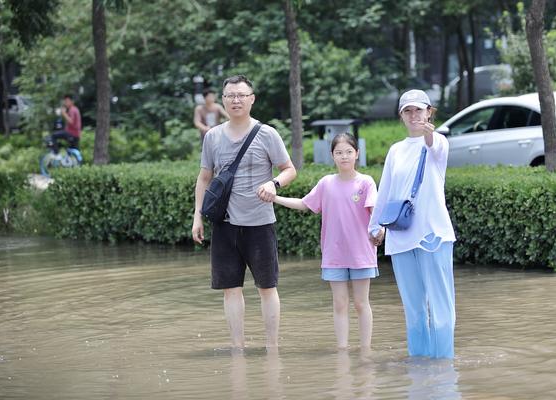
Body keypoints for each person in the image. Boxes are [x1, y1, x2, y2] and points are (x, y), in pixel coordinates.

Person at [191, 75, 296, 350]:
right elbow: (204, 178)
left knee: (267, 287)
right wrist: (197, 216)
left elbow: (289, 170)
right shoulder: (212, 137)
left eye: (241, 95)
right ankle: (238, 348)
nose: (236, 100)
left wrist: (273, 184)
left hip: (260, 222)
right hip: (224, 223)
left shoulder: (267, 134)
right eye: (230, 96)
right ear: (223, 100)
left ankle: (272, 348)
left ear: (252, 98)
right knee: (230, 289)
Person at [369, 89, 457, 359]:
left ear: (429, 112)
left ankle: (443, 368)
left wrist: (429, 133)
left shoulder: (438, 143)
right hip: (400, 237)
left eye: (419, 110)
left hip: (433, 235)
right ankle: (419, 368)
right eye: (408, 111)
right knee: (414, 310)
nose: (414, 115)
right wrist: (375, 226)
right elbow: (385, 191)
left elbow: (434, 145)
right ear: (401, 116)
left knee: (441, 309)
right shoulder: (396, 150)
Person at [273, 133, 379, 350]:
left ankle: (365, 350)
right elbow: (304, 204)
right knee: (339, 303)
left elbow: (376, 213)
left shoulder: (366, 182)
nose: (344, 157)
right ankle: (342, 351)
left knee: (361, 303)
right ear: (332, 156)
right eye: (339, 153)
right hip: (334, 254)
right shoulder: (326, 183)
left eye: (349, 152)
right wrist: (274, 198)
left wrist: (381, 232)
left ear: (357, 154)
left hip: (361, 253)